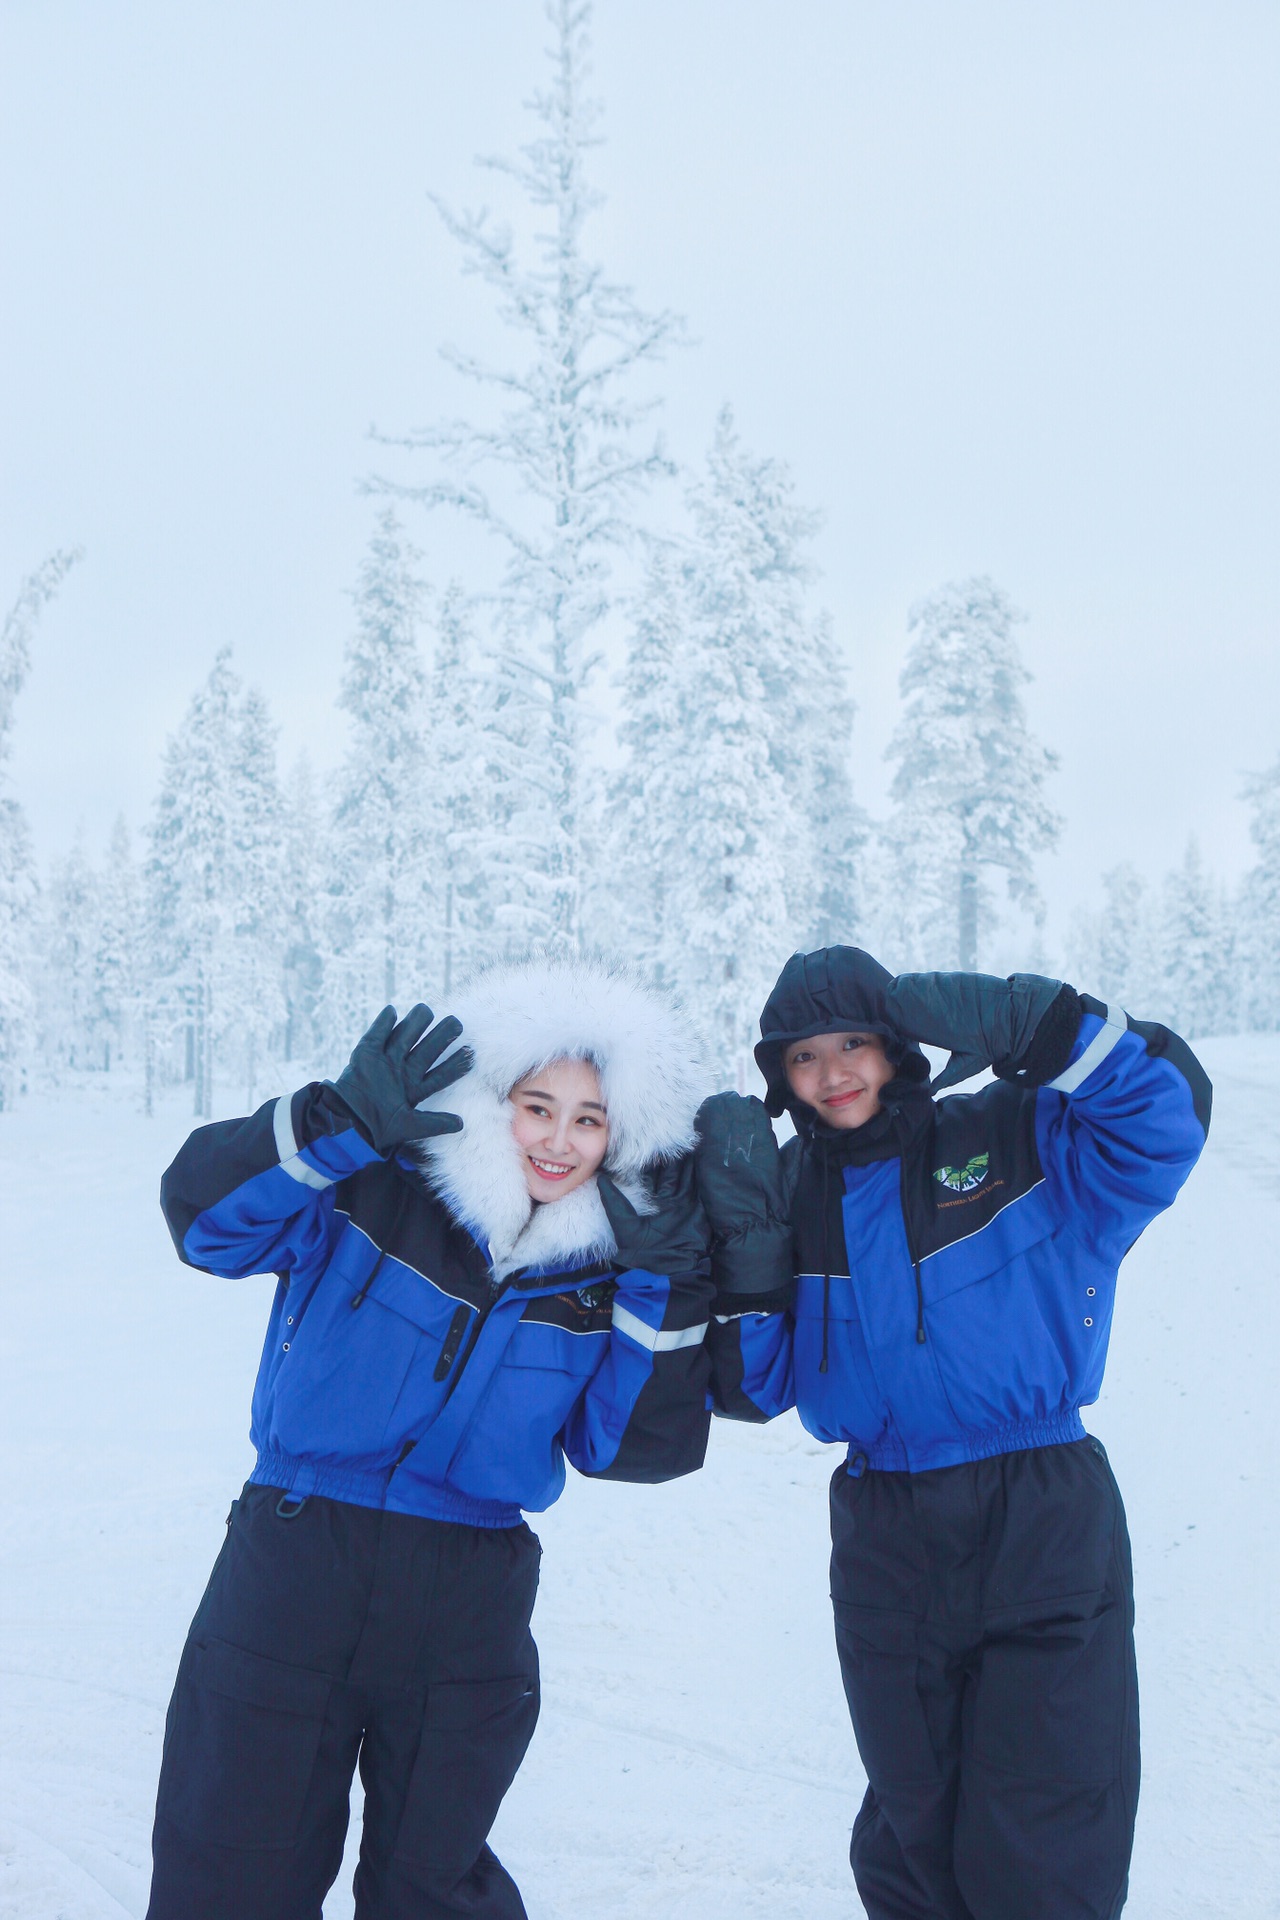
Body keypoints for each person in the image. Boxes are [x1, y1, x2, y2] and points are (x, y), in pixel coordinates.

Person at [147, 954, 712, 1920]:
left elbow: (630, 1449)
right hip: (296, 1560)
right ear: (497, 1102)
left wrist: (669, 1278)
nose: (559, 1140)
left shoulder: (608, 1273)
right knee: (233, 1863)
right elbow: (206, 1225)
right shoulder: (376, 1190)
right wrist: (332, 1127)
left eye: (589, 1119)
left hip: (469, 1593)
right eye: (539, 1106)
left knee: (435, 1887)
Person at [695, 947, 1210, 1920]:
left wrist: (1045, 1030)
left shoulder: (1013, 1129)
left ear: (894, 1044)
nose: (832, 1072)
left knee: (1041, 1839)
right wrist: (753, 1264)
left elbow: (1159, 1125)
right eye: (802, 1057)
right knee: (908, 1837)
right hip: (885, 1530)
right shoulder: (792, 1186)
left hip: (1037, 1512)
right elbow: (757, 1388)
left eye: (851, 1042)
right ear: (778, 1078)